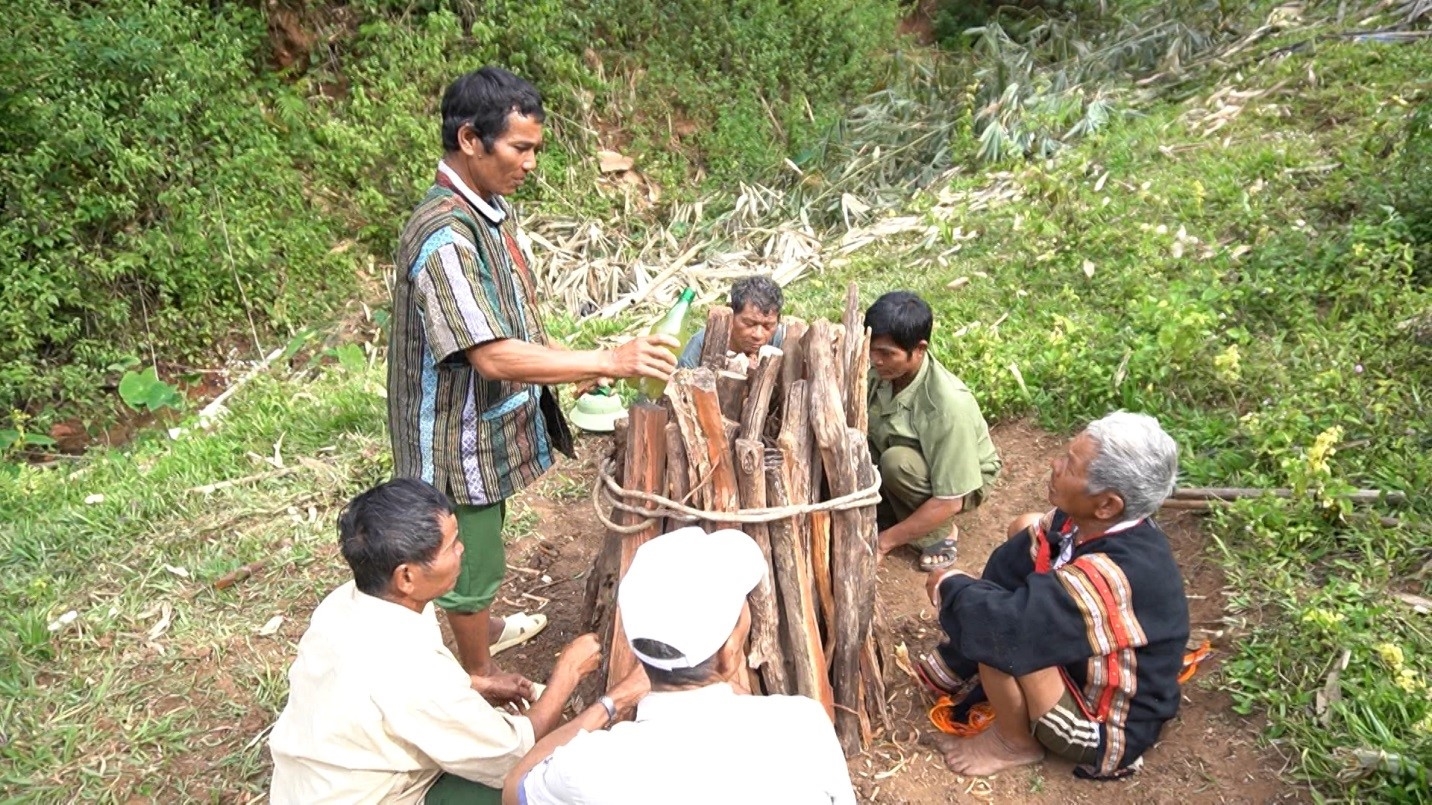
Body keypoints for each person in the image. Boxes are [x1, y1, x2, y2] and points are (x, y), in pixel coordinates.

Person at [388, 66, 678, 680]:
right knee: (465, 557)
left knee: (481, 539)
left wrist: (560, 367)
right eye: (520, 148)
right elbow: (490, 353)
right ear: (471, 140)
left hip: (477, 425)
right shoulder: (445, 235)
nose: (531, 164)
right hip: (449, 439)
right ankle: (478, 674)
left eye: (535, 150)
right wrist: (609, 359)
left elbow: (510, 318)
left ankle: (481, 627)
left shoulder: (487, 209)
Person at [268, 479, 607, 804]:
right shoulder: (411, 673)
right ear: (406, 576)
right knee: (547, 784)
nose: (462, 550)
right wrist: (567, 675)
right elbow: (512, 754)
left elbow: (382, 700)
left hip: (312, 786)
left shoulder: (345, 605)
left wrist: (470, 686)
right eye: (452, 545)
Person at [921, 411, 1190, 780]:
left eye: (1070, 464)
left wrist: (949, 585)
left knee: (1002, 637)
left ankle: (1014, 743)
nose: (1055, 464)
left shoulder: (1114, 574)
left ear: (1108, 505)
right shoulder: (1078, 522)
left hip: (1101, 727)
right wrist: (950, 664)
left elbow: (1007, 629)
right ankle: (981, 672)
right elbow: (1007, 569)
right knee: (1026, 531)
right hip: (1077, 659)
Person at [503, 527, 857, 805]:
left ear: (634, 646)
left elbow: (516, 788)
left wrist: (612, 701)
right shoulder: (802, 727)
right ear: (731, 647)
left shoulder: (588, 767)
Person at [865, 291, 1000, 571]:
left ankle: (940, 534)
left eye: (887, 353)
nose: (875, 360)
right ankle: (894, 508)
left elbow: (951, 499)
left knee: (897, 463)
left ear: (920, 349)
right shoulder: (881, 374)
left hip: (959, 483)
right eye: (872, 349)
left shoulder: (948, 406)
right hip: (910, 459)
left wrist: (883, 542)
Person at [677, 275, 786, 368]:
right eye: (749, 324)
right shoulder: (699, 347)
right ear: (731, 315)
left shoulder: (781, 339)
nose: (758, 335)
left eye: (767, 326)